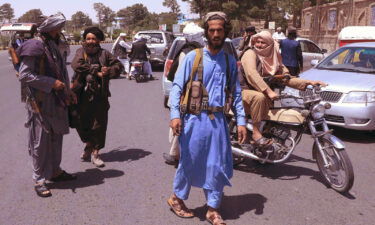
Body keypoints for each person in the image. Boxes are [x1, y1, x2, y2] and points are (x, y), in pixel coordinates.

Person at [168, 11, 247, 225]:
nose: (215, 34)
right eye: (211, 30)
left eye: (219, 30)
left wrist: (241, 121)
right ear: (207, 33)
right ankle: (176, 198)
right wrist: (175, 115)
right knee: (189, 161)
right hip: (194, 119)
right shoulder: (194, 57)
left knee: (217, 163)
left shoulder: (230, 61)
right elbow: (176, 87)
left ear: (225, 32)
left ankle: (213, 209)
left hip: (219, 121)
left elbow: (236, 93)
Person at [17, 13, 77, 198]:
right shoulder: (35, 45)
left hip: (57, 100)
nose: (60, 31)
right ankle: (39, 179)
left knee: (56, 136)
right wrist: (51, 83)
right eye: (58, 27)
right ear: (50, 28)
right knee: (40, 141)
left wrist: (68, 90)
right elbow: (25, 75)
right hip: (41, 102)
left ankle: (54, 171)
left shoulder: (51, 44)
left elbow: (60, 71)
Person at [240, 31, 326, 145]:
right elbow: (252, 74)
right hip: (242, 92)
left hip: (263, 97)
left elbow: (286, 78)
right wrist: (269, 91)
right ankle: (256, 133)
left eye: (263, 43)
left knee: (277, 116)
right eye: (257, 42)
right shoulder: (250, 53)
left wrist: (309, 82)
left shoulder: (274, 59)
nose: (259, 45)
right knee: (259, 97)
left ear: (270, 45)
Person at [70, 26, 123, 167]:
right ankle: (88, 144)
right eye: (88, 38)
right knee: (80, 122)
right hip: (81, 95)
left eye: (93, 38)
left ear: (98, 40)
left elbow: (119, 66)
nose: (90, 41)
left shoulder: (105, 54)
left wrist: (108, 71)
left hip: (100, 95)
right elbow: (76, 65)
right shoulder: (80, 52)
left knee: (99, 124)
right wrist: (96, 71)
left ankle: (95, 152)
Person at [163, 23, 205, 166]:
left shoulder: (201, 51)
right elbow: (181, 77)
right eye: (200, 36)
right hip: (187, 94)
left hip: (198, 93)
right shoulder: (187, 53)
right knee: (181, 122)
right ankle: (175, 154)